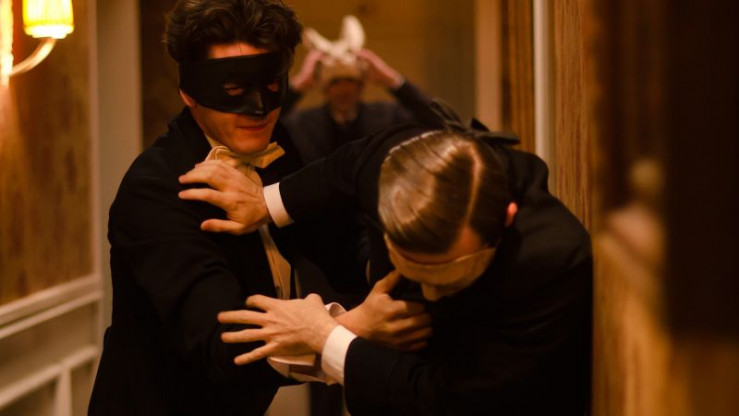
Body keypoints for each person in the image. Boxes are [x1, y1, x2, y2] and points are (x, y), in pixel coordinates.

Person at [88, 1, 428, 415]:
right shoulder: (154, 191)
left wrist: (395, 273)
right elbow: (223, 346)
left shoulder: (275, 146)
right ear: (189, 91)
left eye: (270, 85)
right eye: (232, 89)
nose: (258, 108)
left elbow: (331, 241)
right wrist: (347, 330)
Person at [179, 103, 593, 415]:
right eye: (413, 273)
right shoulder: (392, 158)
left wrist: (328, 337)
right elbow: (343, 168)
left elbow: (456, 402)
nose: (426, 295)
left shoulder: (553, 264)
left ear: (506, 219)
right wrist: (267, 202)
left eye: (448, 279)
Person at [280, 15, 438, 165]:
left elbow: (439, 120)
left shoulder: (389, 117)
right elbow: (269, 124)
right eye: (335, 82)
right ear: (325, 88)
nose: (344, 89)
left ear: (362, 86)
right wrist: (298, 86)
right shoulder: (301, 124)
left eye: (350, 81)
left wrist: (392, 80)